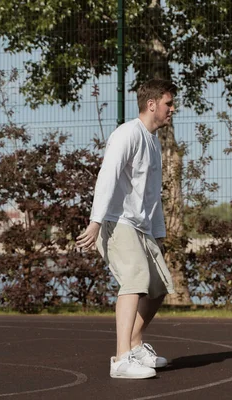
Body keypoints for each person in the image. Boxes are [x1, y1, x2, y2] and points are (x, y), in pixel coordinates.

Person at [76, 79, 177, 379]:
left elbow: (151, 194)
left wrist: (158, 234)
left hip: (140, 227)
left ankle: (134, 344)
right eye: (168, 104)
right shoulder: (127, 134)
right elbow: (107, 175)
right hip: (116, 221)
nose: (173, 109)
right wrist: (96, 222)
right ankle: (121, 360)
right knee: (134, 278)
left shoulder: (154, 142)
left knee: (159, 286)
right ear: (151, 105)